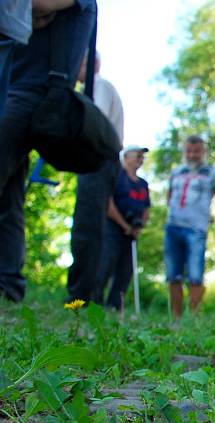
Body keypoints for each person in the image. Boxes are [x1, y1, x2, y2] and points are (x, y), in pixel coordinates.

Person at [0, 0, 97, 302]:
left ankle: (9, 284)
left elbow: (36, 4)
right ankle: (9, 286)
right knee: (9, 196)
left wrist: (23, 10)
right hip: (20, 90)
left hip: (33, 94)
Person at [66, 51, 125, 303]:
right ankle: (89, 293)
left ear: (88, 65)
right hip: (104, 161)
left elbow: (93, 120)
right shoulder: (102, 87)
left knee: (87, 227)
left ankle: (82, 295)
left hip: (98, 159)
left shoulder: (99, 86)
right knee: (93, 226)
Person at [165, 135, 215, 318]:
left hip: (196, 230)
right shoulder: (176, 172)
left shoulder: (212, 173)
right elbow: (170, 197)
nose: (192, 155)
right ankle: (176, 319)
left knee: (195, 274)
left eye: (197, 151)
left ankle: (193, 318)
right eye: (189, 151)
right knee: (173, 275)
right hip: (173, 227)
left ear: (204, 152)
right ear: (184, 152)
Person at [96, 145, 149, 310]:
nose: (140, 158)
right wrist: (123, 224)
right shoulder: (117, 177)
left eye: (142, 156)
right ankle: (94, 302)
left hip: (133, 232)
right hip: (113, 228)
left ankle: (115, 305)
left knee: (126, 270)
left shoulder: (143, 184)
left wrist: (139, 226)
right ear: (126, 157)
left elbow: (147, 208)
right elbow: (108, 203)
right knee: (105, 264)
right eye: (137, 155)